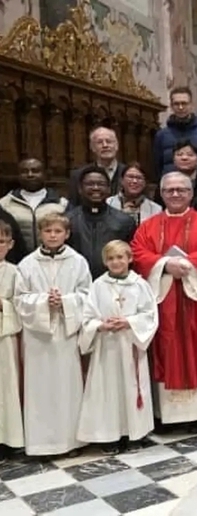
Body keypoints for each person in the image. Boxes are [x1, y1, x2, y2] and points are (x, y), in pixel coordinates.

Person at [131, 172, 197, 428]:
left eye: (181, 190)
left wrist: (185, 265)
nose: (175, 194)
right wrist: (165, 265)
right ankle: (169, 417)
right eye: (170, 190)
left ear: (191, 193)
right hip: (164, 300)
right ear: (161, 194)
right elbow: (138, 253)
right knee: (167, 348)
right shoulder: (148, 226)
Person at [14, 213, 91, 457]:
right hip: (38, 337)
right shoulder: (27, 264)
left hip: (66, 334)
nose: (53, 235)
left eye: (58, 231)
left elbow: (87, 295)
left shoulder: (78, 262)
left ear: (67, 234)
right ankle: (41, 444)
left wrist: (66, 302)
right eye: (48, 231)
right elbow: (20, 299)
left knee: (67, 388)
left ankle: (70, 442)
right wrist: (44, 302)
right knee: (40, 390)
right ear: (40, 234)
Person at [77, 240, 159, 454]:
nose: (116, 262)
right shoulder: (98, 285)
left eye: (120, 257)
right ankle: (109, 436)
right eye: (111, 258)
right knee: (107, 391)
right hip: (107, 348)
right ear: (105, 262)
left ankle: (135, 434)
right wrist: (100, 325)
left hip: (130, 344)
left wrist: (129, 322)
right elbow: (87, 316)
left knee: (132, 388)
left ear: (129, 259)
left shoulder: (140, 285)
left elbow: (150, 315)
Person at [67, 166, 137, 279]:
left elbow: (131, 258)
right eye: (90, 184)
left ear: (109, 189)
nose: (95, 188)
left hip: (113, 282)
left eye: (101, 184)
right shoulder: (68, 221)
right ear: (80, 189)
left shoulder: (124, 221)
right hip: (76, 282)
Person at [153, 86, 197, 180]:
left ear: (191, 105)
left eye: (184, 103)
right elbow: (157, 166)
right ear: (171, 106)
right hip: (172, 185)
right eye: (176, 104)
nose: (180, 107)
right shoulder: (161, 136)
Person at [0, 158, 68, 252]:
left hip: (52, 256)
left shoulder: (61, 203)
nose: (30, 175)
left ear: (45, 174)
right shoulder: (4, 203)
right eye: (24, 171)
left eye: (35, 171)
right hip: (16, 257)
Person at [0, 221, 23, 456]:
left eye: (1, 242)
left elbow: (21, 304)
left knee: (6, 388)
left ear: (10, 244)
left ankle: (8, 439)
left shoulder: (15, 272)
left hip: (5, 336)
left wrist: (3, 305)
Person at [68, 127, 126, 206]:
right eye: (99, 142)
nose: (105, 145)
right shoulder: (78, 175)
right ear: (92, 148)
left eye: (109, 141)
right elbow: (72, 207)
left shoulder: (129, 174)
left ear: (116, 146)